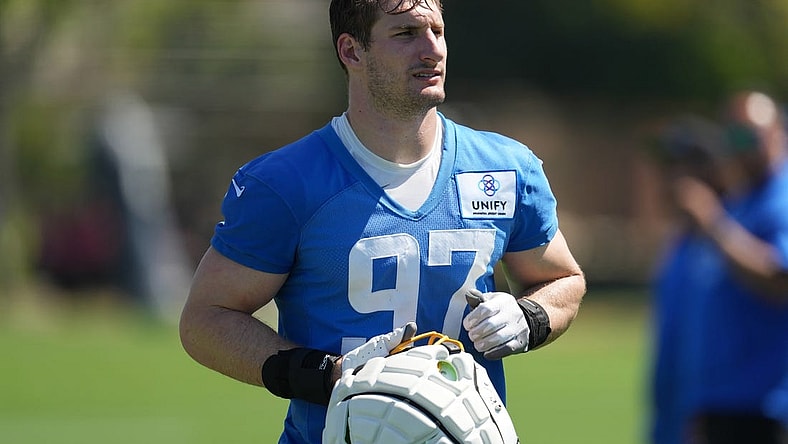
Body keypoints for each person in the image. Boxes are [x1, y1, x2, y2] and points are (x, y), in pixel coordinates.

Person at [178, 1, 586, 443]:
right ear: (351, 51)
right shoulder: (286, 183)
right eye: (406, 34)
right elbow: (206, 320)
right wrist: (325, 375)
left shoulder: (503, 168)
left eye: (437, 31)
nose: (432, 50)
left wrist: (530, 317)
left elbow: (564, 279)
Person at [652, 91, 788, 444]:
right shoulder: (744, 202)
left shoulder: (780, 198)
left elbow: (780, 280)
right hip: (720, 403)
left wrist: (712, 221)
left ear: (778, 133)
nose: (740, 147)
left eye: (749, 135)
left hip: (764, 405)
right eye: (732, 137)